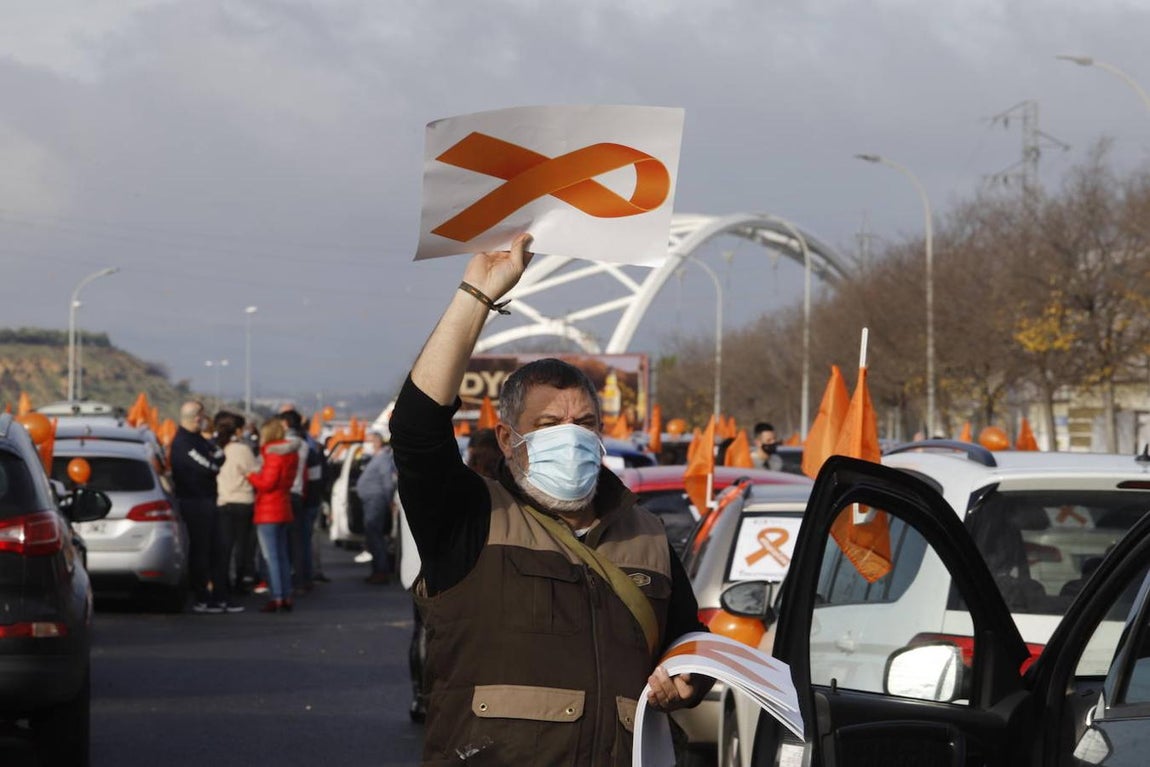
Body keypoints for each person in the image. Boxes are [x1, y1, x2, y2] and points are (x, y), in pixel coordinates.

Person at [390, 233, 712, 766]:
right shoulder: (473, 518)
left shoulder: (647, 533)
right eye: (548, 424)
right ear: (507, 438)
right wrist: (477, 295)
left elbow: (685, 637)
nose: (571, 436)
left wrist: (690, 679)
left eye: (584, 422)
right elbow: (416, 428)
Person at [170, 400, 240, 613]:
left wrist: (214, 460)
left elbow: (219, 456)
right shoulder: (182, 442)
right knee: (200, 551)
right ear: (196, 418)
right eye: (202, 416)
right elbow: (209, 466)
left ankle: (220, 596)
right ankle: (202, 597)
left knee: (217, 549)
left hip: (208, 500)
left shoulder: (199, 439)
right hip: (194, 502)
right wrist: (214, 462)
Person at [247, 417, 299, 613]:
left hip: (268, 509)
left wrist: (250, 476)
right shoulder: (290, 453)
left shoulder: (272, 454)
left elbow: (267, 483)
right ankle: (286, 595)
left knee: (271, 557)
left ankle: (277, 596)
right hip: (283, 506)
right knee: (282, 555)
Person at [215, 411, 258, 596]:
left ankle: (222, 582)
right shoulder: (242, 450)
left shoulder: (216, 447)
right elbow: (255, 472)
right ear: (238, 430)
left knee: (225, 546)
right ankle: (240, 581)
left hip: (222, 500)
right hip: (243, 501)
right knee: (242, 546)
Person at [356, 430, 396, 584]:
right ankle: (378, 570)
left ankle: (381, 571)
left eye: (369, 440)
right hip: (372, 500)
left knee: (375, 536)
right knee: (372, 536)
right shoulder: (378, 458)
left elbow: (387, 482)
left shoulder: (383, 458)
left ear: (377, 442)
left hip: (376, 501)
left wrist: (389, 500)